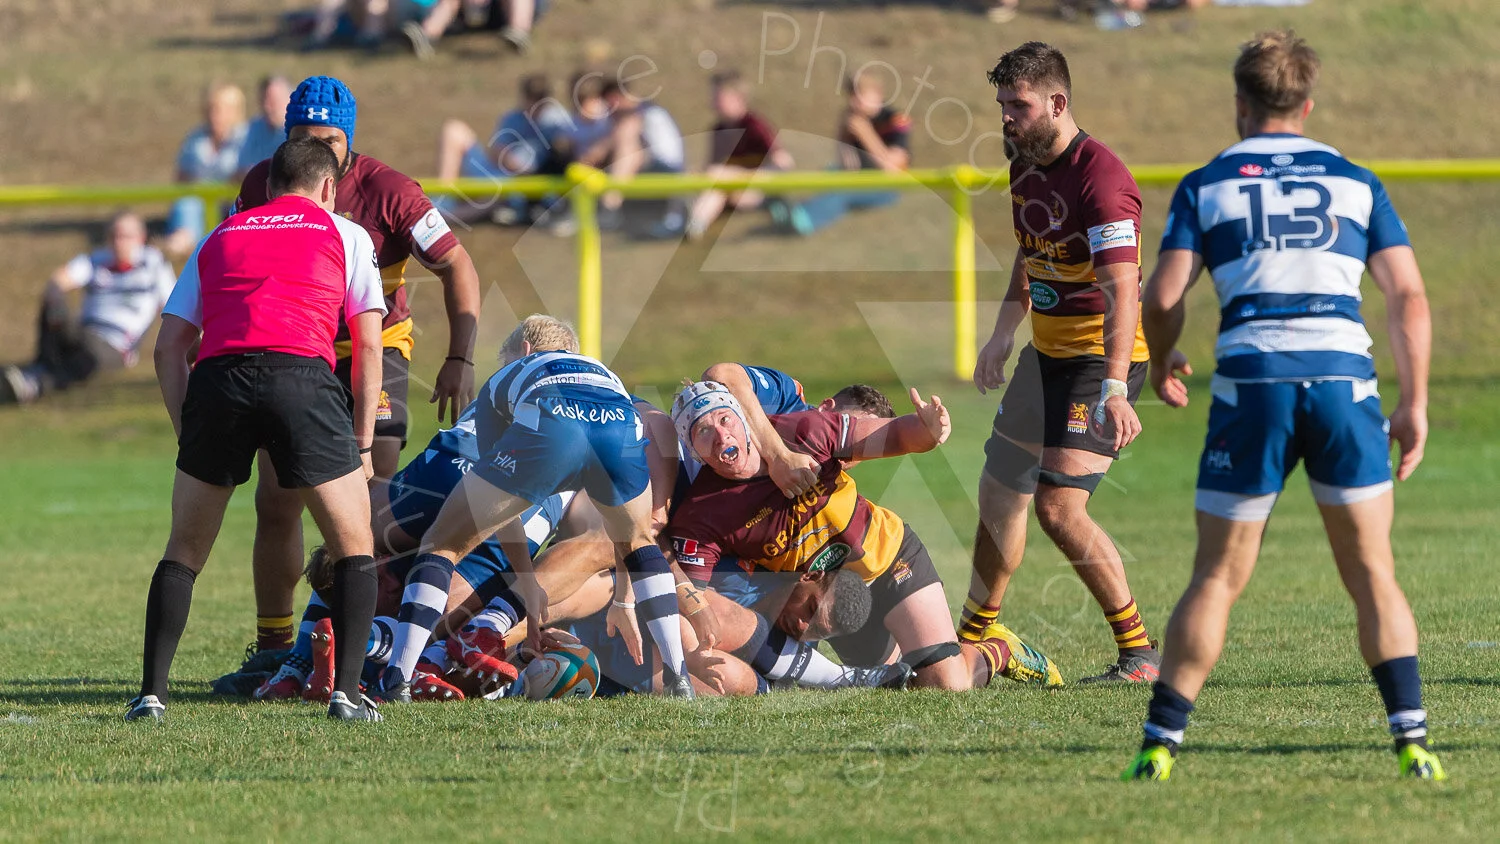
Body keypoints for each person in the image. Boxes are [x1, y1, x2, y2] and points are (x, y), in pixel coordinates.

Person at [1123, 30, 1444, 782]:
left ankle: (1160, 746)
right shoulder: (1357, 180)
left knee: (1216, 577)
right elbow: (1409, 296)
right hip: (1342, 382)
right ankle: (1412, 740)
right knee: (1373, 573)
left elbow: (1163, 296)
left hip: (1253, 383)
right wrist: (1416, 401)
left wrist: (1164, 352)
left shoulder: (1208, 184)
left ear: (1240, 103)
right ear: (1307, 103)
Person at [130, 137, 387, 724]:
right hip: (301, 376)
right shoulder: (346, 234)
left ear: (269, 189)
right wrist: (364, 443)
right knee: (354, 547)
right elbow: (368, 343)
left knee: (185, 550)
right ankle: (348, 694)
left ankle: (151, 693)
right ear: (329, 188)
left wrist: (188, 430)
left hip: (220, 380)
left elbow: (170, 346)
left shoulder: (221, 235)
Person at [235, 76, 481, 660]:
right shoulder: (260, 185)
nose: (316, 150)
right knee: (276, 501)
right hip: (292, 354)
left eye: (329, 139)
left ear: (350, 139)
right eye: (302, 137)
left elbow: (458, 265)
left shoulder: (390, 190)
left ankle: (374, 642)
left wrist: (459, 356)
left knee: (372, 505)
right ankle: (274, 648)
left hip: (375, 354)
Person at [960, 41, 1160, 684]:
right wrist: (1002, 333)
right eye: (1001, 105)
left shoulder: (1101, 179)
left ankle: (1138, 655)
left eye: (1018, 105)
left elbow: (1122, 287)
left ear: (1058, 101)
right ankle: (972, 637)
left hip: (1102, 364)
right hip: (1047, 356)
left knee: (1058, 508)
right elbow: (1031, 247)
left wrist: (1114, 387)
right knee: (998, 491)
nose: (1007, 118)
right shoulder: (1024, 162)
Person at [666, 381, 1063, 692]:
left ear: (743, 418)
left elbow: (897, 436)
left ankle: (1000, 648)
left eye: (725, 419)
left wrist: (927, 429)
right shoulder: (701, 515)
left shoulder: (802, 431)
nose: (720, 436)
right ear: (693, 450)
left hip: (889, 560)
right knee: (901, 685)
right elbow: (699, 599)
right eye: (702, 431)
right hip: (829, 601)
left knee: (947, 685)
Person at [375, 340, 697, 699]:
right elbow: (626, 537)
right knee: (640, 542)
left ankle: (398, 677)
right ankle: (677, 677)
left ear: (525, 350)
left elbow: (501, 505)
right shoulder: (600, 371)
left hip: (554, 424)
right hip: (618, 422)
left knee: (442, 544)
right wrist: (623, 600)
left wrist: (527, 579)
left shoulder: (501, 381)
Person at [0, 212, 174, 406]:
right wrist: (55, 294)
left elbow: (172, 308)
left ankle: (36, 380)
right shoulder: (96, 260)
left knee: (87, 359)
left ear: (141, 238)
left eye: (126, 236)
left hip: (116, 344)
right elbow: (59, 281)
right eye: (114, 236)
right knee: (53, 301)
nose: (119, 242)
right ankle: (39, 369)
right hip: (85, 332)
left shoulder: (154, 264)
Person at [776, 71, 910, 236]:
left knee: (843, 190)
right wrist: (843, 135)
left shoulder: (896, 120)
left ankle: (806, 220)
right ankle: (789, 210)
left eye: (859, 95)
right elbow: (848, 164)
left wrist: (866, 134)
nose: (853, 101)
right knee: (828, 174)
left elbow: (894, 171)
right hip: (859, 176)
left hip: (888, 188)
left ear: (877, 94)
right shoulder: (853, 118)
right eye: (851, 95)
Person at [431, 74, 572, 224]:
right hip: (500, 175)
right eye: (530, 98)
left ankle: (443, 219)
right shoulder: (513, 118)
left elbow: (567, 153)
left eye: (538, 99)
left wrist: (531, 174)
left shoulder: (558, 121)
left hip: (534, 187)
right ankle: (443, 197)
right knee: (453, 130)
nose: (533, 105)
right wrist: (518, 169)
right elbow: (497, 151)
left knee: (501, 193)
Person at [672, 70, 795, 241]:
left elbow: (784, 163)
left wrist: (743, 176)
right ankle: (694, 225)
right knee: (715, 187)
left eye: (718, 98)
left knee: (719, 180)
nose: (712, 103)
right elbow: (714, 166)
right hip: (728, 188)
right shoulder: (718, 129)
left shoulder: (755, 126)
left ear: (737, 98)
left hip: (754, 189)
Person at [578, 76, 686, 232]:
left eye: (609, 105)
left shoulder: (641, 115)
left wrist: (598, 152)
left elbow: (622, 139)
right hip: (649, 171)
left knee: (629, 149)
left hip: (665, 170)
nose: (609, 111)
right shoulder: (635, 114)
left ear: (615, 98)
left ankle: (610, 206)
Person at [164, 83, 248, 257]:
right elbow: (181, 176)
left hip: (233, 200)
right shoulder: (195, 139)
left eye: (220, 109)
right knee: (186, 203)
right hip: (199, 200)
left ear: (235, 111)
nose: (214, 115)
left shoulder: (246, 138)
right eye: (210, 108)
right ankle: (182, 242)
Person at [235, 76, 293, 181]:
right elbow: (240, 169)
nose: (266, 107)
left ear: (289, 101)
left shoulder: (296, 133)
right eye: (263, 100)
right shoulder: (253, 129)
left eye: (273, 101)